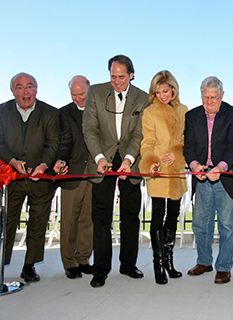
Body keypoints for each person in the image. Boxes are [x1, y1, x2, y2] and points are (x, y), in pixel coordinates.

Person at [0, 72, 59, 286]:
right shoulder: (1, 111)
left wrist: (44, 165)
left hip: (41, 179)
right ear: (12, 91)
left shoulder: (50, 112)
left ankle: (30, 266)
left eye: (29, 86)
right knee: (4, 223)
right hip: (13, 178)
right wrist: (11, 161)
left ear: (37, 89)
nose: (25, 91)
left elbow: (53, 143)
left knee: (38, 223)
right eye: (19, 87)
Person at [82, 55, 150, 288]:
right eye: (113, 76)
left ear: (131, 75)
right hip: (102, 159)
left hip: (130, 161)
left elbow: (140, 134)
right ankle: (101, 268)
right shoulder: (96, 92)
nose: (117, 81)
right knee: (101, 216)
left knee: (131, 215)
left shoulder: (142, 98)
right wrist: (99, 158)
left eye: (122, 77)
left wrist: (129, 160)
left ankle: (128, 265)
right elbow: (89, 128)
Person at [183, 76, 233, 284]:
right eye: (205, 97)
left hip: (226, 176)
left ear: (222, 95)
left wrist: (220, 167)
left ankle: (223, 267)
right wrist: (194, 166)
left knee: (228, 225)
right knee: (201, 224)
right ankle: (204, 261)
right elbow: (189, 146)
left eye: (214, 97)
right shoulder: (192, 116)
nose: (209, 102)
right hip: (202, 176)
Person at [139, 70, 188, 284]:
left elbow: (189, 140)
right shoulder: (150, 112)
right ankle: (158, 264)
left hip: (176, 168)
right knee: (158, 214)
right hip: (158, 169)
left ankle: (169, 261)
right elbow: (147, 142)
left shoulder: (183, 110)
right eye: (158, 92)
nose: (162, 95)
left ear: (173, 89)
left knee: (174, 214)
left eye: (166, 90)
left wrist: (177, 152)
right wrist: (151, 161)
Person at [53, 75, 93, 279]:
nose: (78, 98)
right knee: (69, 220)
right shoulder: (63, 113)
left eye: (82, 94)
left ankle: (84, 259)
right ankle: (70, 262)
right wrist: (60, 161)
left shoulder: (97, 109)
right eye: (73, 95)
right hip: (72, 173)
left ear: (89, 89)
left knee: (88, 219)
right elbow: (64, 142)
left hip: (94, 172)